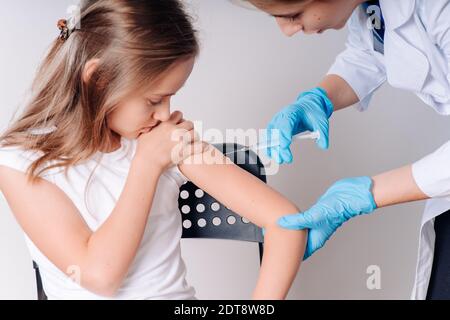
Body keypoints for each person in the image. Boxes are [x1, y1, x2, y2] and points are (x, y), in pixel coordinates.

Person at [0, 0, 307, 300]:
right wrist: (146, 165)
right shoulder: (22, 160)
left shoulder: (167, 142)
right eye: (153, 100)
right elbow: (100, 277)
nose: (164, 114)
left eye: (170, 97)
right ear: (97, 80)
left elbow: (285, 222)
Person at [245, 0, 450, 299]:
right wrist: (319, 98)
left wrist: (367, 194)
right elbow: (368, 53)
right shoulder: (372, 5)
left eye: (292, 14)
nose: (287, 31)